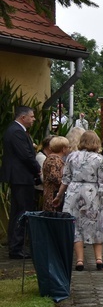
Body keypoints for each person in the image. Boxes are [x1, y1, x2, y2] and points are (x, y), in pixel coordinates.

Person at [52, 131, 103, 271]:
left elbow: (65, 179)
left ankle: (80, 261)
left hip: (73, 193)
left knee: (76, 226)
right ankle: (99, 259)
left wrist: (58, 196)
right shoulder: (99, 159)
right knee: (97, 224)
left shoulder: (71, 157)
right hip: (92, 194)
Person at [0, 106, 41, 258]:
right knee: (22, 211)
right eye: (32, 116)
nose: (33, 119)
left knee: (18, 211)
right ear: (23, 117)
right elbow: (25, 155)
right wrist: (37, 168)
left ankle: (16, 246)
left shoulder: (15, 130)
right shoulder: (17, 132)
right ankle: (16, 248)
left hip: (19, 177)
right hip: (21, 177)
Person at [42, 136, 70, 212]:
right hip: (53, 196)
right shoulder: (54, 160)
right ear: (63, 149)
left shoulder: (52, 158)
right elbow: (55, 177)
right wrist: (66, 182)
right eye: (67, 147)